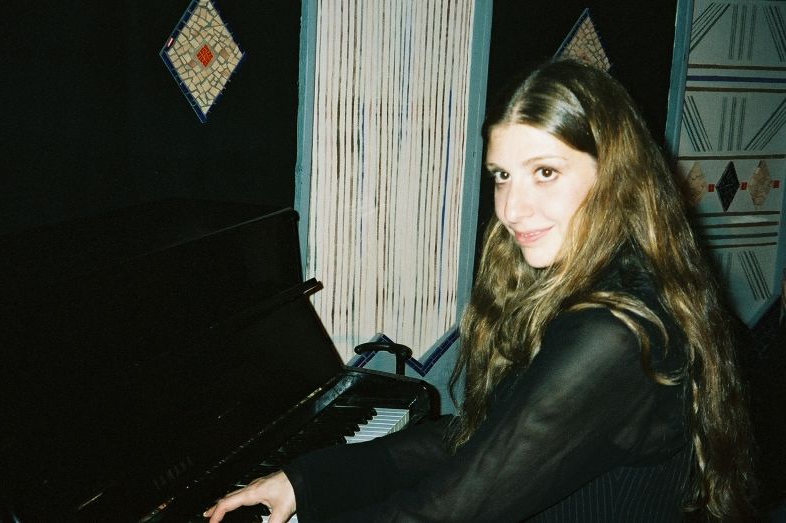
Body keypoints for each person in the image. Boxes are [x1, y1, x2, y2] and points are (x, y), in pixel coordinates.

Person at [204, 60, 755, 522]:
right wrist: (307, 480)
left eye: (544, 172)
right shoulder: (594, 280)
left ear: (614, 173)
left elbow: (452, 509)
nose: (512, 209)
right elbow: (485, 438)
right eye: (502, 175)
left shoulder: (612, 334)